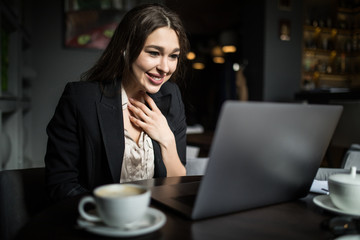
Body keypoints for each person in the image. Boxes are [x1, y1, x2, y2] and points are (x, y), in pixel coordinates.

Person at [45, 3, 189, 201]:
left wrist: (167, 140)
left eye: (173, 56)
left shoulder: (171, 96)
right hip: (100, 221)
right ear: (126, 49)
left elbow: (179, 186)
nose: (165, 67)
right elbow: (60, 185)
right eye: (154, 53)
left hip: (158, 218)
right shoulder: (81, 99)